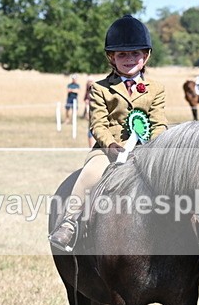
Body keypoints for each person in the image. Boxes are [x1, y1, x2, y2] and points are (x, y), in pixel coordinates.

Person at [49, 15, 168, 250]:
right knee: (91, 173)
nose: (129, 59)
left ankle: (192, 227)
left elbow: (160, 122)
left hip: (147, 151)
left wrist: (155, 146)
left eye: (135, 53)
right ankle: (69, 222)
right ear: (111, 57)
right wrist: (111, 145)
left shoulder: (156, 89)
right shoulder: (101, 89)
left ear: (146, 56)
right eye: (122, 54)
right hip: (109, 150)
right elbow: (99, 124)